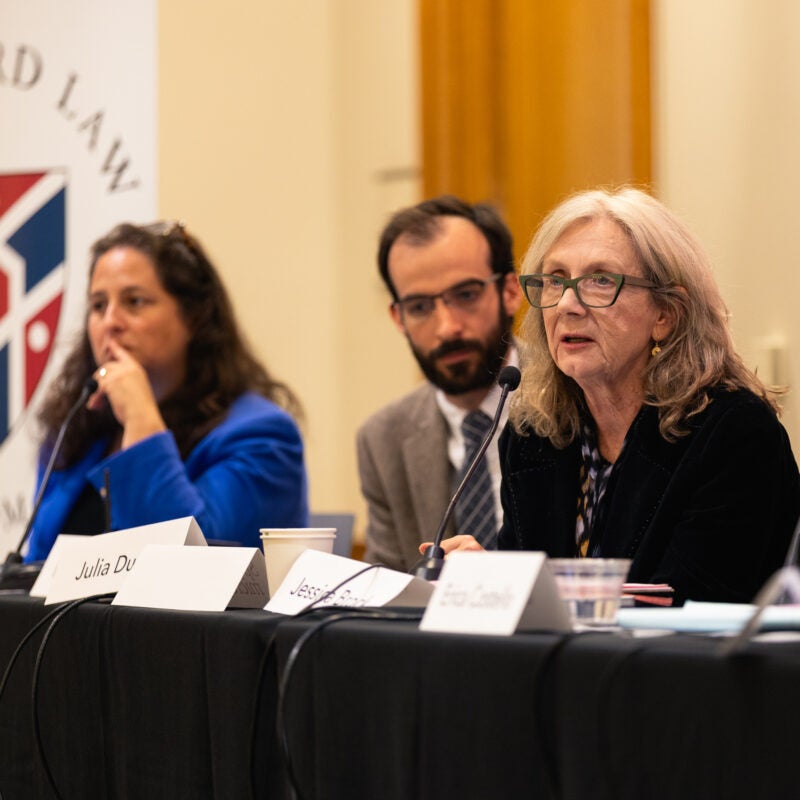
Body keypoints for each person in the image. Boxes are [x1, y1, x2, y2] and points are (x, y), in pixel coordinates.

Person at [427, 187, 800, 604]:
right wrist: (491, 579)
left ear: (665, 314)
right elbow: (531, 602)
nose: (567, 304)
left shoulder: (733, 436)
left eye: (600, 280)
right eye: (554, 281)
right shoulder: (535, 435)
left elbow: (691, 608)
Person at [25, 221, 308, 561]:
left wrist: (141, 418)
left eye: (135, 301)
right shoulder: (76, 429)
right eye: (98, 305)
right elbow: (36, 573)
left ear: (194, 318)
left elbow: (192, 569)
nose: (110, 322)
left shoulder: (261, 436)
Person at [357, 196, 522, 572]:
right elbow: (384, 589)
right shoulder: (383, 439)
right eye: (419, 307)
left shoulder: (573, 401)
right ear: (398, 319)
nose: (447, 328)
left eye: (466, 295)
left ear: (510, 292)